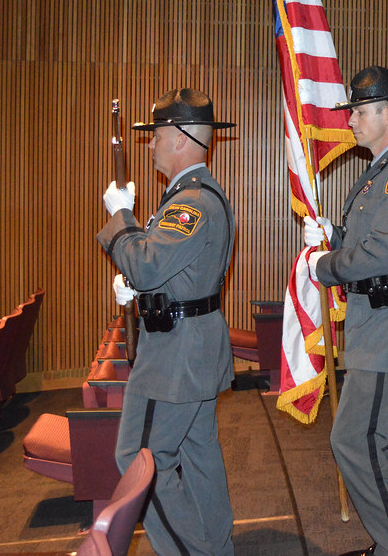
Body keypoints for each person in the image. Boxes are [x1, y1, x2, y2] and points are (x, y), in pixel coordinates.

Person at [97, 88, 237, 556]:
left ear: (179, 138)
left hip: (174, 356)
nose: (151, 144)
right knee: (198, 457)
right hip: (191, 344)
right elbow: (177, 272)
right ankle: (216, 548)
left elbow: (150, 263)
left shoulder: (189, 202)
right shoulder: (191, 195)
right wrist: (141, 291)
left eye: (156, 135)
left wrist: (121, 220)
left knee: (142, 461)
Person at [304, 65, 388, 556]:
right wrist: (332, 239)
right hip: (373, 324)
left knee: (354, 440)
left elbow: (381, 254)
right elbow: (367, 243)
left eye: (359, 110)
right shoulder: (377, 173)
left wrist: (325, 266)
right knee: (386, 439)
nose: (351, 120)